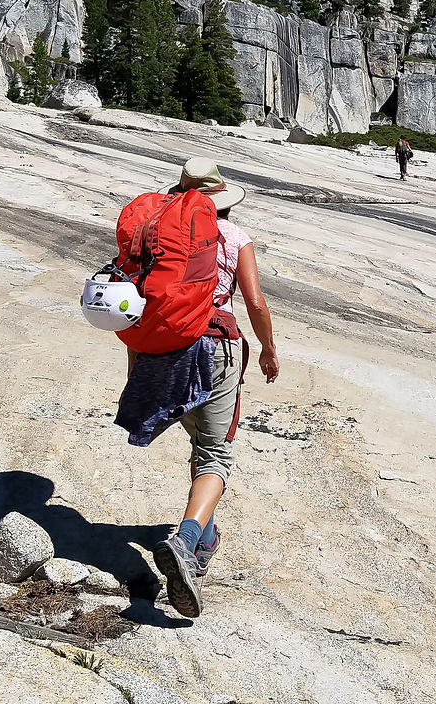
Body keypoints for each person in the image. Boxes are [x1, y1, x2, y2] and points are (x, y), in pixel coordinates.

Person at [127, 158, 280, 618]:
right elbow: (253, 300)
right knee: (216, 452)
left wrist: (137, 361)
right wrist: (269, 349)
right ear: (225, 199)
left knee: (199, 444)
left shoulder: (158, 235)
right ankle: (187, 539)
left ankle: (204, 541)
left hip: (163, 348)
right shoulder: (234, 237)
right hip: (215, 346)